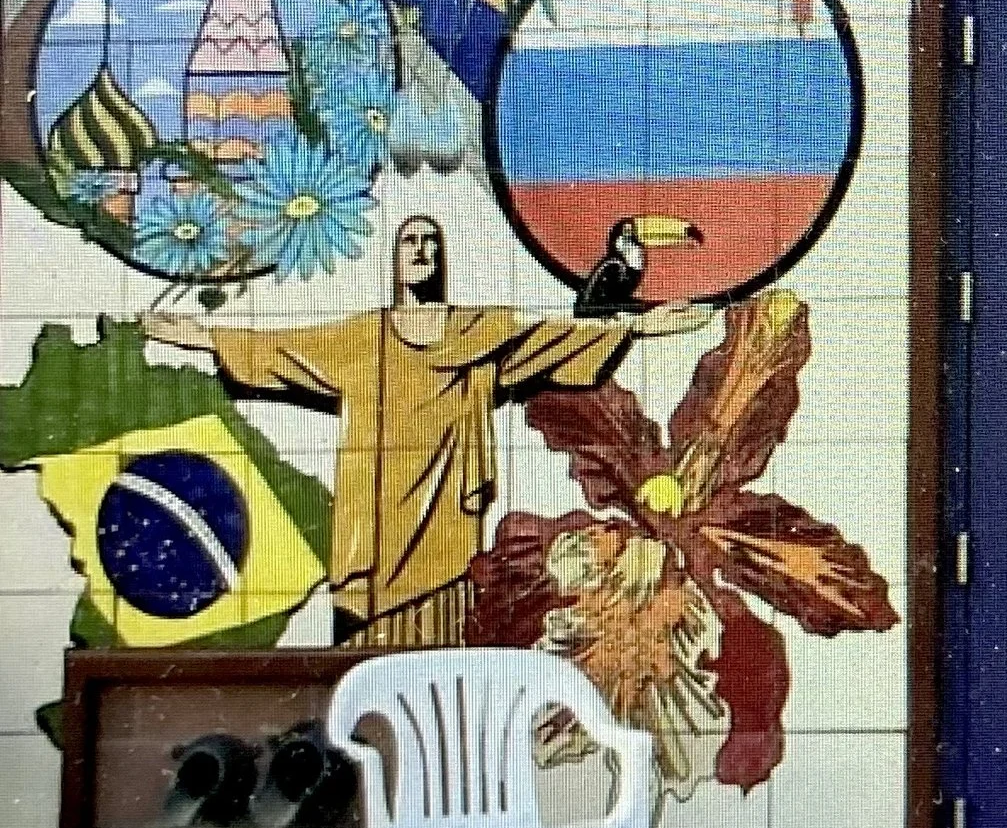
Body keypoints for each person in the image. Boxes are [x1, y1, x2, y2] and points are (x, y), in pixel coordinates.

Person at [143, 216, 708, 644]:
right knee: (367, 639)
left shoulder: (478, 334)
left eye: (432, 242)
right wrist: (204, 337)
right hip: (373, 510)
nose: (422, 251)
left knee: (441, 630)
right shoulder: (362, 339)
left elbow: (553, 339)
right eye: (410, 242)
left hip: (446, 511)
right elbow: (283, 347)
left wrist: (639, 327)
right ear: (393, 259)